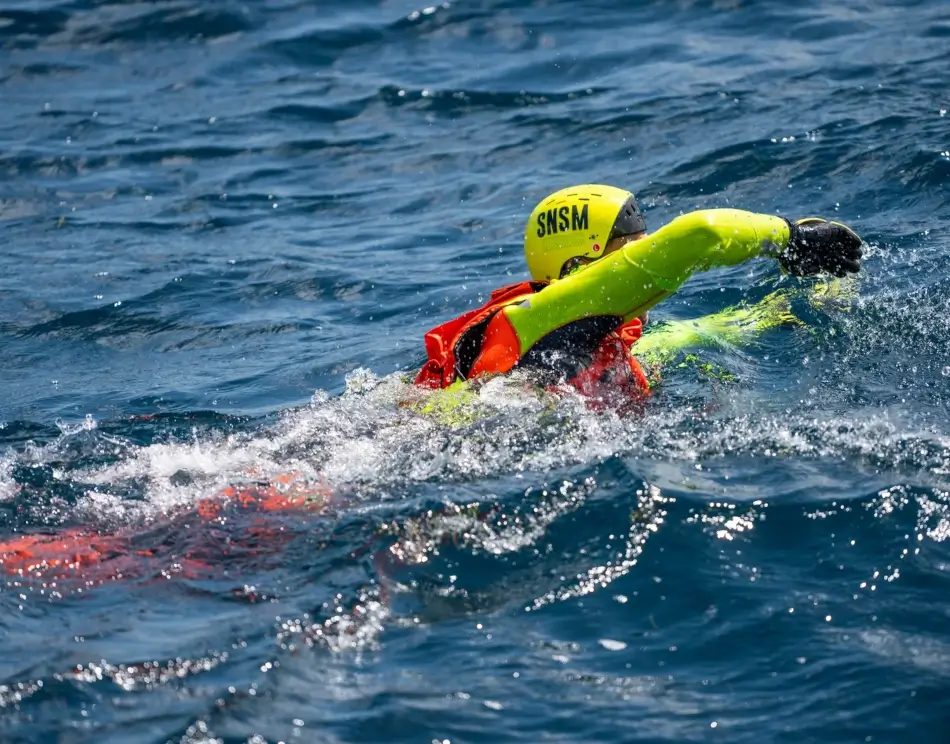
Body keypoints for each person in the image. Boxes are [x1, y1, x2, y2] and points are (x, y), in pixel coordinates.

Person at [413, 184, 863, 400]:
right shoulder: (527, 320)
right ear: (578, 267)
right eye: (629, 253)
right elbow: (702, 234)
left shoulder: (591, 341)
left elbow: (681, 337)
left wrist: (781, 312)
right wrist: (792, 239)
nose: (640, 267)